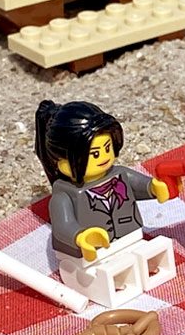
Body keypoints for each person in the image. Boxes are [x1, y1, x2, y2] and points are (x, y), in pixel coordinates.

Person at [34, 100, 170, 262]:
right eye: (95, 154)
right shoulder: (64, 196)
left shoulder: (119, 174)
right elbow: (63, 225)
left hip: (131, 237)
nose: (104, 157)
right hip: (91, 256)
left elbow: (138, 186)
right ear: (61, 161)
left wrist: (153, 187)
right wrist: (81, 236)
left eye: (107, 148)